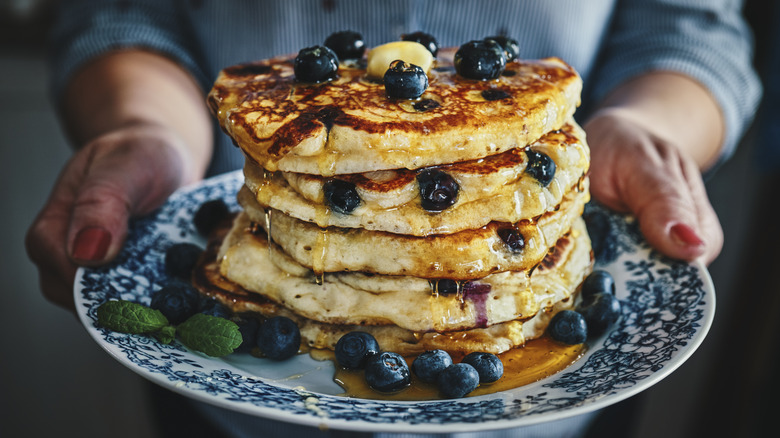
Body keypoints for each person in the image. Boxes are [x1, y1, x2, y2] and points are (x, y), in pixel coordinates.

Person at [25, 1, 761, 437]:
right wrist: (146, 128)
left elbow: (689, 26)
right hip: (234, 411)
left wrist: (642, 125)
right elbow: (117, 11)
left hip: (548, 420)